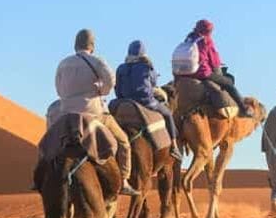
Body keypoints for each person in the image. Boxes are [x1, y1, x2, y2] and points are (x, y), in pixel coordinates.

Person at [52, 28, 139, 196]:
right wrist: (101, 90)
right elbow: (110, 81)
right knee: (123, 142)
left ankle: (44, 172)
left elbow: (58, 88)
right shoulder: (97, 61)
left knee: (51, 140)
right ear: (92, 45)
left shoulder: (63, 63)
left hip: (66, 114)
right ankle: (124, 180)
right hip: (94, 113)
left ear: (75, 45)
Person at [115, 40, 182, 160]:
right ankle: (174, 146)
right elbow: (153, 83)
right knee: (167, 114)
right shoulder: (147, 66)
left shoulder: (121, 68)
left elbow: (118, 89)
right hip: (145, 101)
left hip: (124, 101)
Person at [184, 19, 253, 117]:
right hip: (202, 73)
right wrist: (219, 73)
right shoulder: (206, 40)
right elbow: (214, 61)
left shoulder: (189, 39)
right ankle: (244, 109)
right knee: (228, 84)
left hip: (185, 72)